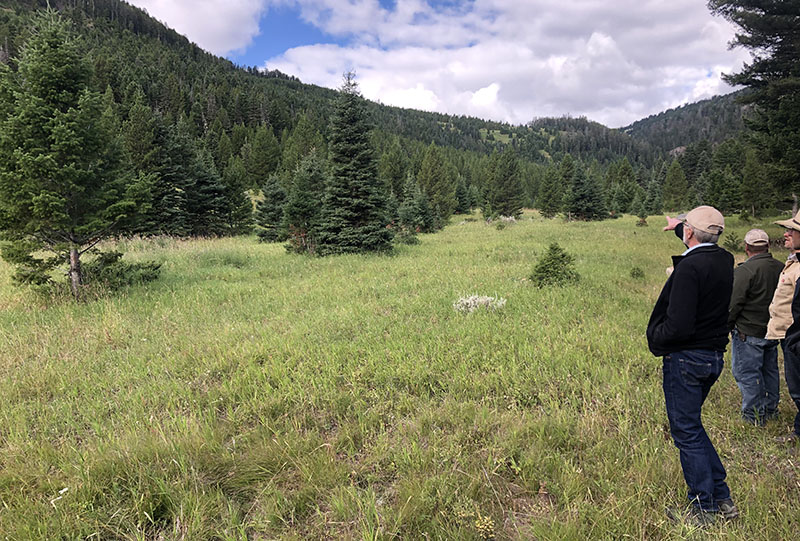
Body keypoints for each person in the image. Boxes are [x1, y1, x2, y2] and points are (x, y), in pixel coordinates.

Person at [647, 206, 738, 525]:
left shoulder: (689, 268)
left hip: (686, 358)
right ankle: (722, 498)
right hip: (713, 356)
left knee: (686, 432)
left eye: (684, 227)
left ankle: (704, 508)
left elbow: (679, 325)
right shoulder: (724, 260)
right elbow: (699, 238)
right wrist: (680, 226)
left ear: (689, 232)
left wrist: (656, 336)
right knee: (693, 428)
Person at [728, 229, 784, 425]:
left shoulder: (745, 271)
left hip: (748, 332)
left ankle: (753, 417)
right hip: (772, 331)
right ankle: (770, 410)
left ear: (746, 247)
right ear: (767, 246)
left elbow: (734, 304)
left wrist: (725, 326)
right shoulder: (781, 267)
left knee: (747, 374)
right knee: (770, 371)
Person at [772, 213, 800, 443]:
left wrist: (794, 340)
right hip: (790, 335)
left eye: (792, 230)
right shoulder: (794, 261)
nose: (786, 234)